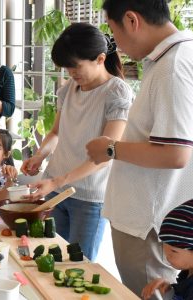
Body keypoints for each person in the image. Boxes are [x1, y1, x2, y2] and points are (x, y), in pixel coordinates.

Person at [85, 0, 193, 296]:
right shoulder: (174, 58)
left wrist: (111, 149)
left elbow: (175, 153)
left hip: (149, 223)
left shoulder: (174, 67)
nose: (117, 45)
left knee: (146, 292)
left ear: (132, 20)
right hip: (152, 218)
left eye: (114, 33)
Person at [20, 23, 133, 262]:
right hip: (55, 187)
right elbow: (56, 132)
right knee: (50, 257)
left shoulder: (116, 93)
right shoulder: (69, 88)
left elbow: (106, 154)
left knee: (78, 263)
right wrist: (40, 155)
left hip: (89, 196)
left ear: (100, 58)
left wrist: (57, 181)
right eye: (67, 68)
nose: (71, 73)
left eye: (75, 66)